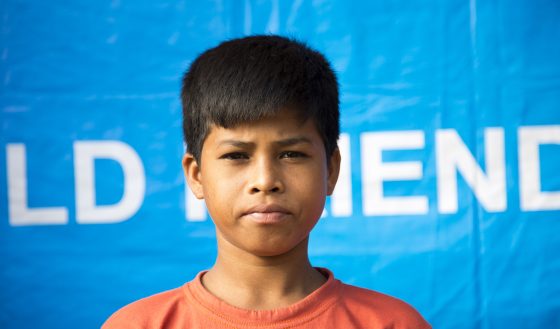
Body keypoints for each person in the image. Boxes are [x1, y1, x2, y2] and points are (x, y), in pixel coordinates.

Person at [102, 35, 431, 329]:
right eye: (236, 156)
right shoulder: (139, 325)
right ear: (196, 175)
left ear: (330, 170)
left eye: (291, 154)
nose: (265, 181)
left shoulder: (393, 323)